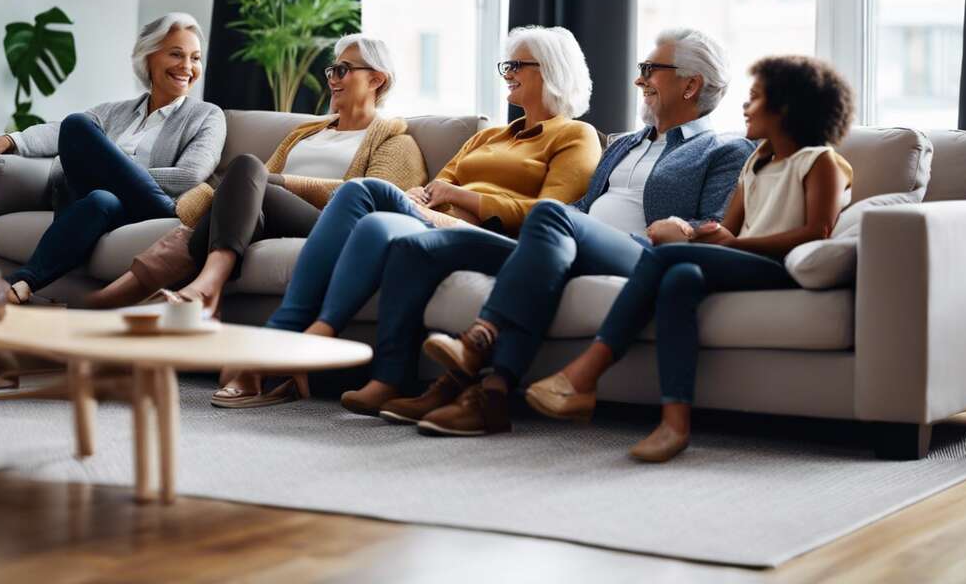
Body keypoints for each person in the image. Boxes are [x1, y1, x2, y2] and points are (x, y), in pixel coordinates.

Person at [352, 28, 756, 431]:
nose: (639, 80)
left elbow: (718, 226)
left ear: (691, 85)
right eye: (640, 69)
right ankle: (406, 382)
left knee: (549, 213)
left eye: (650, 69)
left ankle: (481, 357)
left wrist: (683, 229)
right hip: (571, 247)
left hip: (640, 254)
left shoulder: (723, 150)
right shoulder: (624, 144)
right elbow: (580, 209)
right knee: (419, 248)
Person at [213, 25, 602, 408]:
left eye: (518, 65)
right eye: (508, 65)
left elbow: (550, 214)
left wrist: (458, 196)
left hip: (498, 241)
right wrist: (423, 195)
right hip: (437, 226)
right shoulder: (488, 137)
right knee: (375, 223)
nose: (508, 74)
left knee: (360, 189)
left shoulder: (575, 135)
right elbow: (439, 183)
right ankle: (382, 377)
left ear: (551, 70)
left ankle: (289, 337)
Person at [525, 55, 855, 462]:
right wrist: (697, 231)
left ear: (786, 108)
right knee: (679, 276)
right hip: (742, 260)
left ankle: (585, 374)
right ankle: (674, 424)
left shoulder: (821, 160)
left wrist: (732, 246)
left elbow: (817, 232)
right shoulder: (756, 163)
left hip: (778, 267)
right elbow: (727, 229)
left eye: (754, 99)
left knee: (667, 260)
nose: (745, 107)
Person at [83, 34, 426, 312]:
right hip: (269, 214)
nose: (333, 79)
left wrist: (280, 182)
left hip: (328, 224)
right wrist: (214, 196)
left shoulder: (396, 142)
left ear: (377, 79)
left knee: (247, 167)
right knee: (247, 201)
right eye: (331, 70)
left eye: (343, 70)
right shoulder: (305, 133)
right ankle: (200, 290)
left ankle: (148, 288)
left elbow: (374, 201)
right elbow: (252, 187)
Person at [0, 13, 227, 303]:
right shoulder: (117, 111)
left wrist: (112, 170)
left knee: (83, 136)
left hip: (152, 206)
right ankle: (20, 286)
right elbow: (62, 132)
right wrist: (9, 141)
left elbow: (189, 175)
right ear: (148, 57)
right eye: (176, 54)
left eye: (195, 58)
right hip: (98, 203)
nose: (187, 67)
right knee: (98, 185)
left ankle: (12, 287)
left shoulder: (207, 116)